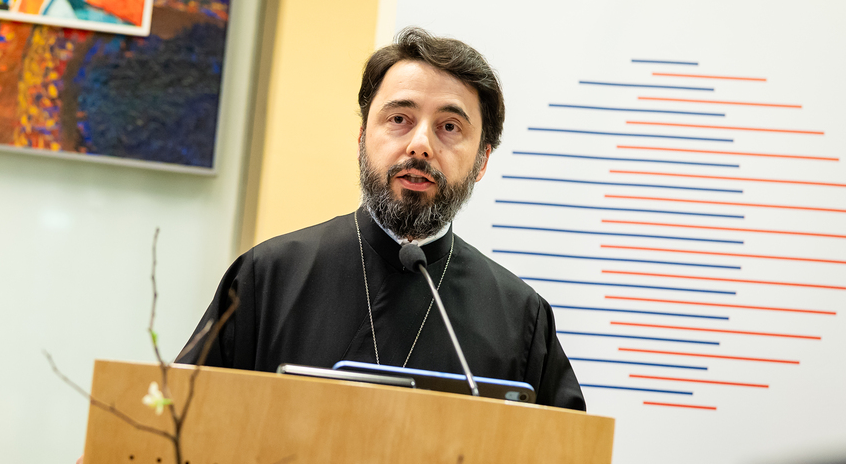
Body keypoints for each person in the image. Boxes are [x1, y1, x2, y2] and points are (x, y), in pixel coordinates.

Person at [177, 27, 584, 410]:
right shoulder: (267, 278)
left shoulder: (520, 317)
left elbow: (564, 452)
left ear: (482, 161)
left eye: (449, 126)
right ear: (361, 139)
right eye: (399, 119)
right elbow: (181, 422)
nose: (420, 145)